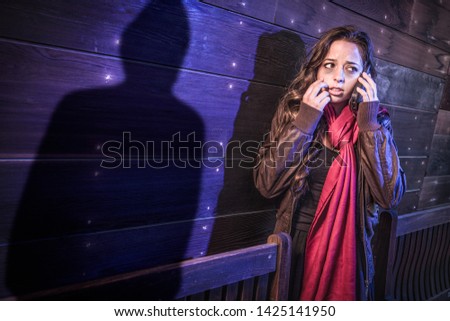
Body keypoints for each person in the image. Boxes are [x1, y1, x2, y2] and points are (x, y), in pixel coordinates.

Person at [253, 25, 406, 300]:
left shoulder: (376, 122)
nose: (337, 77)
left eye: (350, 69)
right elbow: (266, 184)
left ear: (364, 78)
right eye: (329, 65)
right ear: (316, 69)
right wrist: (304, 122)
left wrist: (369, 125)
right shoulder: (294, 110)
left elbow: (389, 197)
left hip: (348, 251)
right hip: (295, 248)